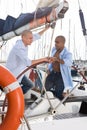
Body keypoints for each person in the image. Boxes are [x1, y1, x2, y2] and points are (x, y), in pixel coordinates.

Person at [6, 28, 50, 94]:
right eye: (30, 38)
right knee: (28, 85)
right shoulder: (19, 47)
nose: (32, 40)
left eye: (32, 38)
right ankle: (15, 95)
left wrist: (46, 28)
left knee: (29, 85)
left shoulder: (25, 42)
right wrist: (44, 59)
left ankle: (15, 94)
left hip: (19, 73)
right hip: (13, 74)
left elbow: (37, 36)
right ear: (23, 37)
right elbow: (29, 62)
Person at [45, 35, 73, 100]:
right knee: (47, 88)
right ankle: (49, 101)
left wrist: (57, 59)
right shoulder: (54, 49)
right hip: (52, 73)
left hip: (61, 75)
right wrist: (49, 69)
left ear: (63, 43)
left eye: (57, 42)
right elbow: (52, 61)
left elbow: (69, 63)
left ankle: (59, 104)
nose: (55, 44)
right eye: (55, 42)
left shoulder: (68, 53)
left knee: (59, 92)